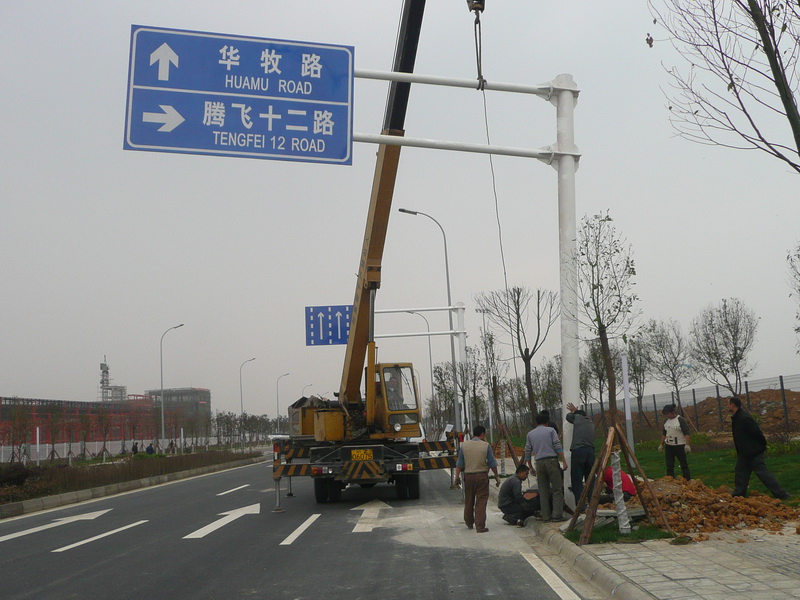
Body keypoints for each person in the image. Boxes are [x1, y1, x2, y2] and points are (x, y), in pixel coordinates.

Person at [729, 396, 789, 499]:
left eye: (728, 404)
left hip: (753, 452)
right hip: (744, 453)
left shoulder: (744, 418)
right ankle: (739, 494)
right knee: (740, 473)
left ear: (733, 405)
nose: (727, 406)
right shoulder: (736, 418)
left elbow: (757, 433)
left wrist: (762, 445)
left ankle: (782, 494)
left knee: (763, 474)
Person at [454, 425, 500, 533]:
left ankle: (469, 522)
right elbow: (492, 463)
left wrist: (456, 477)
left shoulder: (464, 446)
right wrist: (497, 476)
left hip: (468, 476)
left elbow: (459, 464)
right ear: (482, 434)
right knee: (481, 501)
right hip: (481, 476)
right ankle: (480, 526)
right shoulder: (485, 446)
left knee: (469, 499)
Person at [524, 412, 569, 522]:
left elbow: (527, 451)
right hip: (552, 461)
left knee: (543, 490)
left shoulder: (530, 434)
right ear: (547, 422)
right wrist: (564, 461)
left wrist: (530, 467)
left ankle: (546, 516)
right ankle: (557, 515)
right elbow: (557, 445)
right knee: (557, 489)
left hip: (539, 463)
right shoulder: (551, 431)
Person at [566, 402, 595, 507]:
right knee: (590, 478)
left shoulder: (578, 419)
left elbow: (568, 417)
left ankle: (581, 506)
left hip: (578, 451)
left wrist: (574, 411)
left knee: (577, 479)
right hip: (590, 452)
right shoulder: (591, 423)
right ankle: (592, 503)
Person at [659, 404, 691, 480]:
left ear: (673, 412)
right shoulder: (666, 421)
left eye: (668, 413)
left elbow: (686, 432)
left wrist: (687, 444)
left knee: (683, 464)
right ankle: (670, 479)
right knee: (669, 464)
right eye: (665, 414)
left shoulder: (680, 420)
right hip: (669, 446)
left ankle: (687, 479)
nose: (667, 415)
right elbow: (664, 433)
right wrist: (661, 444)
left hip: (679, 445)